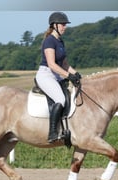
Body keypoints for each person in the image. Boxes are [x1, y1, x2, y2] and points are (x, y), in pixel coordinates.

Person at [35, 11, 82, 143]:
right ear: (54, 25)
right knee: (60, 99)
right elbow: (51, 64)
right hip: (46, 75)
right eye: (62, 24)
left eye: (65, 24)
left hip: (58, 75)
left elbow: (65, 64)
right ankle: (53, 133)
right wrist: (68, 76)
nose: (65, 27)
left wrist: (76, 74)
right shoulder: (49, 41)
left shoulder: (60, 41)